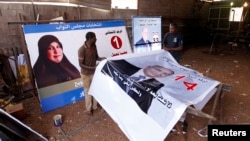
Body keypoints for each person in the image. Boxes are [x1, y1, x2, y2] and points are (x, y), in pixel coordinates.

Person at [101, 59, 174, 113]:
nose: (160, 73)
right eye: (159, 69)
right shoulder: (125, 65)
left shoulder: (152, 89)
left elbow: (143, 110)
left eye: (165, 74)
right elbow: (106, 69)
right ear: (149, 66)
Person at [78, 32, 106, 116]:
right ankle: (88, 109)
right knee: (88, 91)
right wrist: (93, 68)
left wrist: (102, 59)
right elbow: (81, 64)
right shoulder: (81, 49)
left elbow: (96, 57)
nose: (96, 39)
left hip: (94, 73)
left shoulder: (94, 46)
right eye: (94, 38)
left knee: (95, 89)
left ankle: (95, 106)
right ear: (90, 39)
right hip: (86, 74)